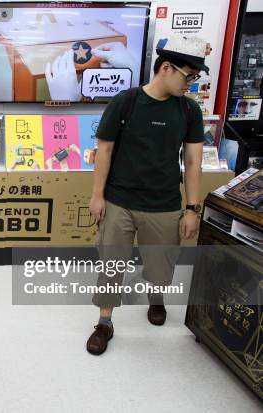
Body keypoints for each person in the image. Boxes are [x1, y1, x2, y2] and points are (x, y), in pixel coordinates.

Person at [85, 35, 207, 355]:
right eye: (188, 76)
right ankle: (104, 323)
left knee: (160, 267)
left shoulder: (189, 110)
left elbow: (193, 161)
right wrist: (97, 196)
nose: (190, 84)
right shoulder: (126, 102)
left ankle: (156, 297)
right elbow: (105, 150)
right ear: (166, 67)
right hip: (119, 200)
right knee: (112, 265)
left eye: (195, 78)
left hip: (164, 203)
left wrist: (192, 208)